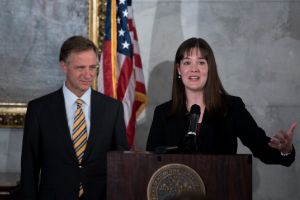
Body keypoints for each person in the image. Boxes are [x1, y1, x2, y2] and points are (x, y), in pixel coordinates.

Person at [146, 37, 296, 166]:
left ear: (209, 68)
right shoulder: (163, 112)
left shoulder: (232, 107)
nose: (194, 69)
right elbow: (152, 162)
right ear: (179, 70)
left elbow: (262, 148)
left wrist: (285, 151)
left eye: (201, 62)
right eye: (187, 63)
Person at [20, 36, 128, 200]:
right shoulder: (39, 110)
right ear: (64, 66)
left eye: (93, 67)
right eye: (80, 68)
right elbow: (29, 168)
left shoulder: (112, 109)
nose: (88, 74)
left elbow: (121, 164)